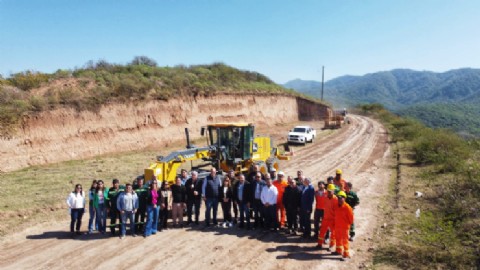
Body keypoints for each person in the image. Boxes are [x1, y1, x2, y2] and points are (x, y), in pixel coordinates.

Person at [333, 191, 354, 259]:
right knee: (338, 239)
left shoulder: (347, 207)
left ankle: (346, 254)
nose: (339, 199)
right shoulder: (336, 206)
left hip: (344, 227)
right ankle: (338, 250)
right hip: (337, 226)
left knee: (345, 240)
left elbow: (351, 219)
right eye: (338, 198)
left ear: (344, 198)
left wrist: (348, 225)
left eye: (341, 198)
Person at [317, 184, 339, 250]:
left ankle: (332, 245)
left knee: (333, 234)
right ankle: (319, 244)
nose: (328, 192)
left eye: (330, 191)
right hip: (325, 218)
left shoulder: (336, 199)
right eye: (328, 191)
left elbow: (337, 210)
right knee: (322, 231)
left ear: (333, 191)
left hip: (332, 219)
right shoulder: (326, 197)